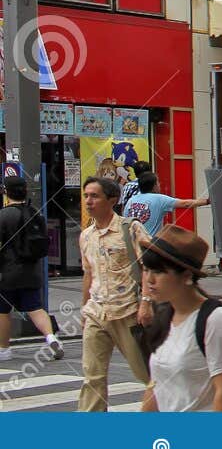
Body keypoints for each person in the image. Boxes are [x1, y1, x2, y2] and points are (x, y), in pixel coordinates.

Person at [137, 225, 222, 412]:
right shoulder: (164, 316)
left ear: (187, 276)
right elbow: (156, 386)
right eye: (146, 270)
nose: (149, 280)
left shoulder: (216, 319)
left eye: (158, 272)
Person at [77, 176, 152, 410]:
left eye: (95, 196)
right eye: (86, 195)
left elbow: (149, 267)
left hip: (128, 311)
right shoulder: (86, 236)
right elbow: (88, 275)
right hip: (96, 314)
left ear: (112, 200)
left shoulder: (130, 228)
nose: (89, 201)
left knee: (146, 373)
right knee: (93, 377)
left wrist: (146, 303)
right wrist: (84, 308)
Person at [0, 176, 63, 363]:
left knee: (2, 311)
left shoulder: (3, 215)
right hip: (32, 270)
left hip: (7, 272)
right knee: (35, 308)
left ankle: (3, 349)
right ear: (25, 191)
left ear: (5, 192)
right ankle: (51, 338)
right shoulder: (36, 213)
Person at [122, 169, 210, 236]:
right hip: (150, 246)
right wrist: (207, 201)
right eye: (158, 182)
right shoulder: (159, 199)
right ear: (154, 186)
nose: (159, 184)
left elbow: (125, 220)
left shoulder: (131, 200)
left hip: (132, 246)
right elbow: (185, 203)